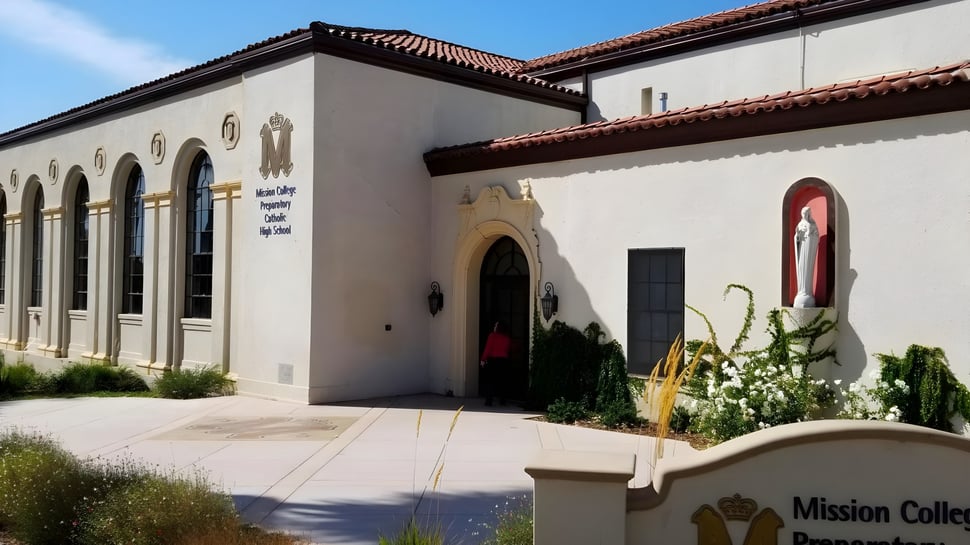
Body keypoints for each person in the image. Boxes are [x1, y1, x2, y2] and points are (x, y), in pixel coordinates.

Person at [480, 320, 511, 406]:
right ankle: (503, 400)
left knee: (490, 381)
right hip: (503, 361)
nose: (494, 327)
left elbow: (488, 349)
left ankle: (489, 400)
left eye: (495, 326)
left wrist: (483, 359)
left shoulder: (492, 336)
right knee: (502, 381)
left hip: (494, 361)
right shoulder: (507, 338)